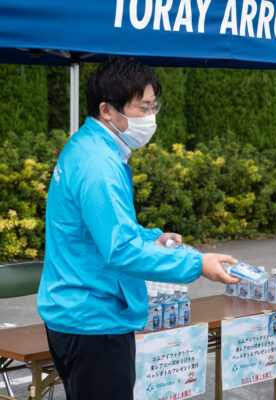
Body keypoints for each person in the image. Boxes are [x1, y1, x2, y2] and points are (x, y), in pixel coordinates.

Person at [37, 56, 239, 400]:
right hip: (94, 319)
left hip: (76, 312)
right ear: (107, 110)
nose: (151, 117)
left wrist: (152, 237)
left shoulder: (86, 146)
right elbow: (120, 250)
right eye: (143, 108)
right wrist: (198, 264)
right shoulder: (99, 163)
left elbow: (102, 227)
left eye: (153, 106)